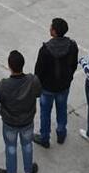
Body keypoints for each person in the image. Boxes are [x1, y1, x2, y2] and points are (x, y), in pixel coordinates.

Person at [0, 50, 41, 173]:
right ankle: (28, 170)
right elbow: (38, 93)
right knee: (27, 145)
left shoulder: (3, 85)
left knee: (11, 147)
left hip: (10, 122)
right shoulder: (33, 80)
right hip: (27, 121)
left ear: (9, 66)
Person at [33, 18, 78, 149]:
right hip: (63, 86)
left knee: (45, 113)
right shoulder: (72, 46)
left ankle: (44, 138)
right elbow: (74, 64)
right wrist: (68, 78)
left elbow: (38, 71)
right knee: (62, 109)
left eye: (51, 27)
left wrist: (39, 86)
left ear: (54, 31)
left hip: (47, 88)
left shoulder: (45, 49)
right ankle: (61, 133)